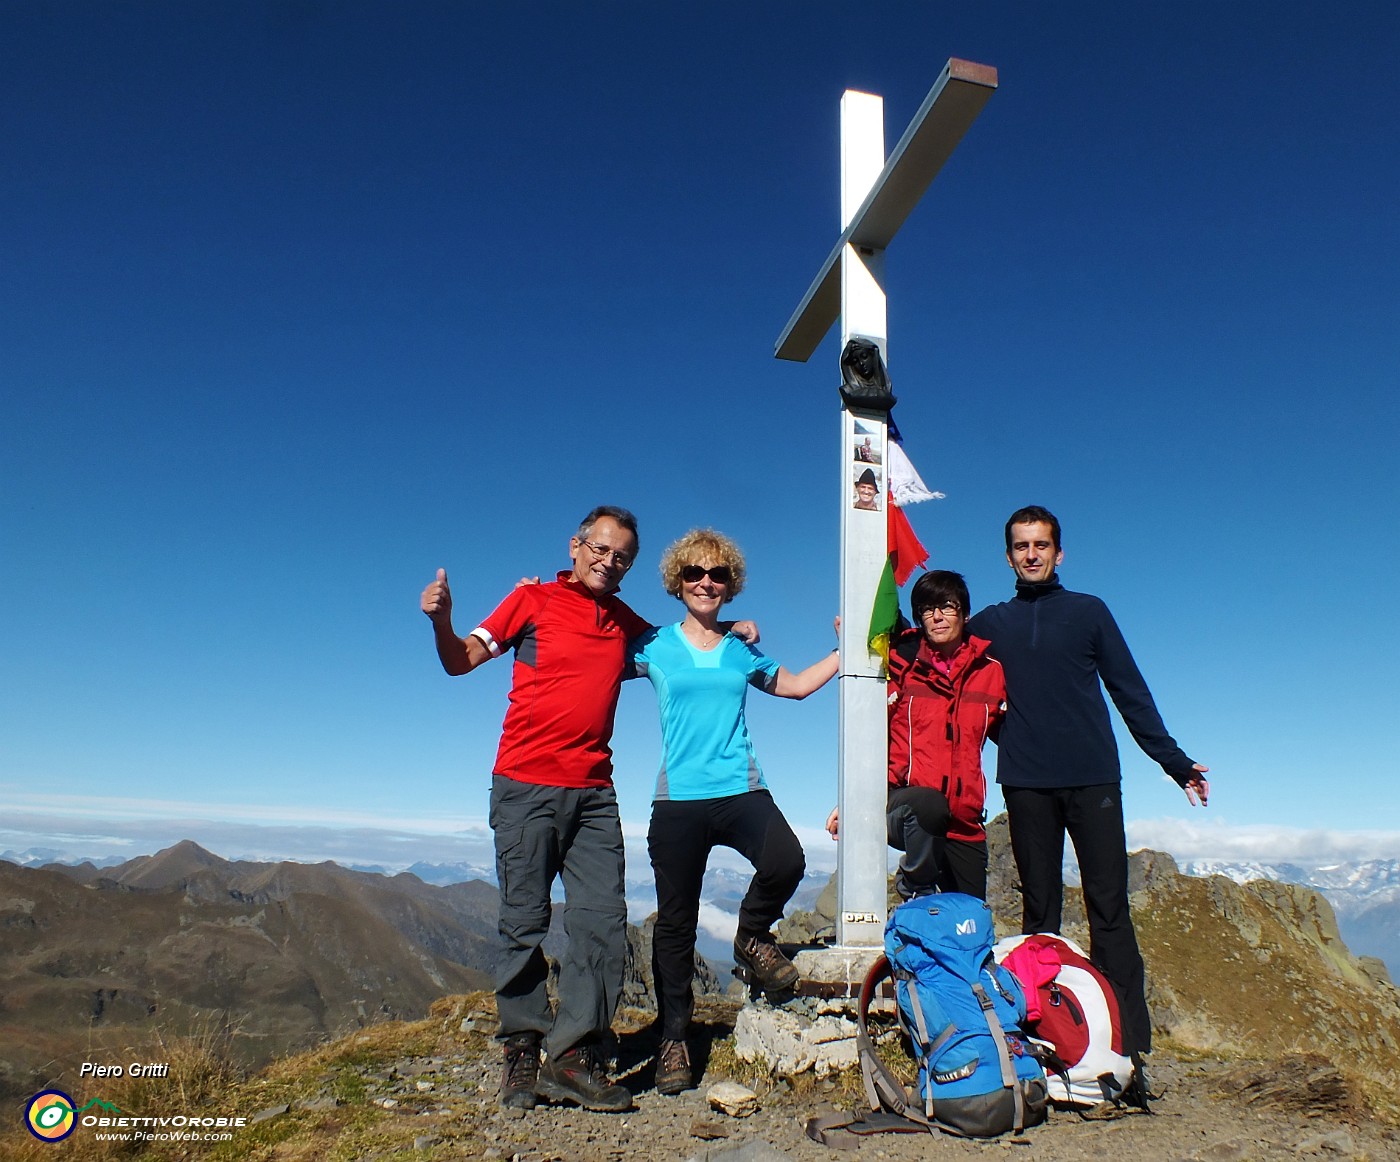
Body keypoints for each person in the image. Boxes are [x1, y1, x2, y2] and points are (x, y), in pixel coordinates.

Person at [966, 505, 1210, 1076]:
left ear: (1058, 553)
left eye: (1041, 545)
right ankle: (1047, 1042)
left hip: (1093, 777)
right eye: (1021, 546)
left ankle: (1128, 1047)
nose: (1031, 554)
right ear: (1008, 556)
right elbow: (934, 650)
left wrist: (1172, 761)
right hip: (1025, 782)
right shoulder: (989, 624)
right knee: (1040, 914)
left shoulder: (1089, 612)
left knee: (1109, 911)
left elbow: (1130, 689)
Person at [630, 529, 839, 1096]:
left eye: (717, 575)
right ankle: (674, 1036)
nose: (705, 581)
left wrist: (846, 654)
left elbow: (792, 687)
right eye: (695, 572)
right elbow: (597, 655)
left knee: (786, 861)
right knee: (675, 923)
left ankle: (750, 936)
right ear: (678, 581)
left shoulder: (741, 648)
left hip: (739, 789)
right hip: (678, 802)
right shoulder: (652, 644)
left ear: (730, 584)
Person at [825, 570, 1005, 900]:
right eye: (927, 608)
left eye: (947, 606)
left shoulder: (990, 672)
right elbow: (867, 734)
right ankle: (916, 888)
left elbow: (1008, 734)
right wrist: (850, 798)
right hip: (902, 806)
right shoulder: (901, 664)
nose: (937, 616)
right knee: (928, 804)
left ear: (964, 613)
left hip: (964, 823)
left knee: (968, 924)